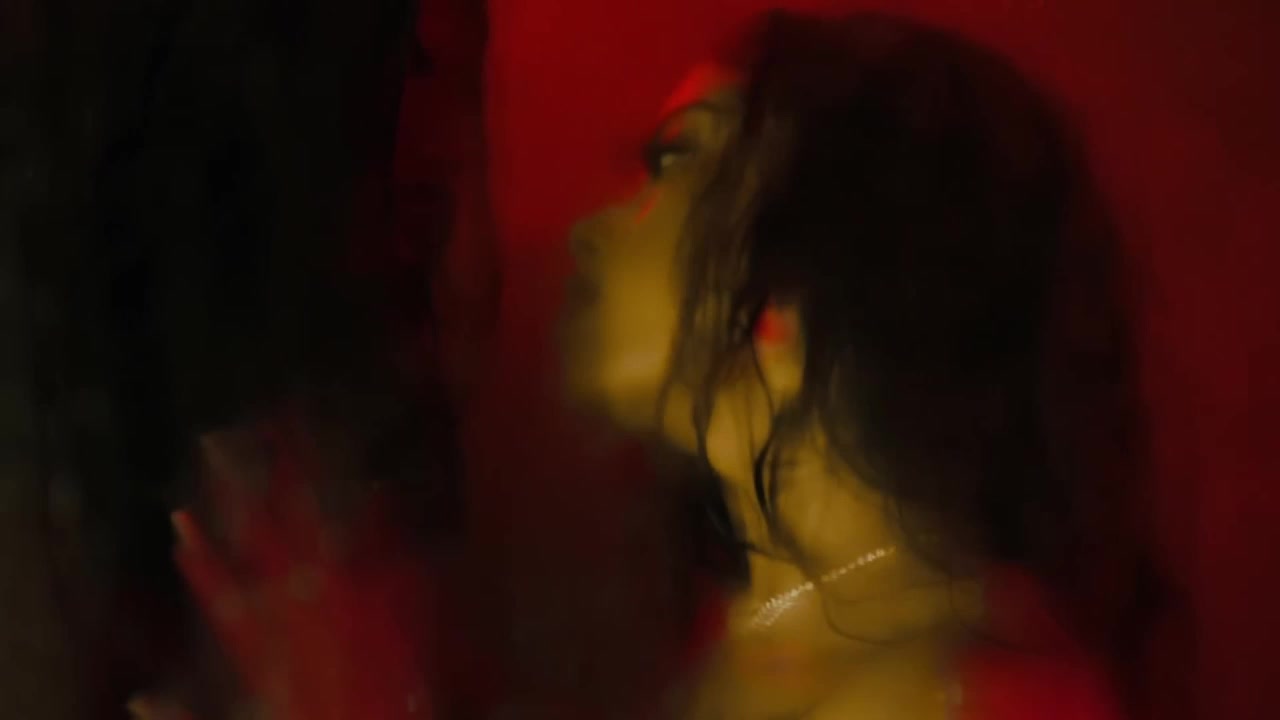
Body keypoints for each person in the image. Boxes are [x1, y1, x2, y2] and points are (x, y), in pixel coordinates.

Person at [561, 11, 1153, 719]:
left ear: (805, 266)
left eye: (676, 160)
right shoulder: (771, 634)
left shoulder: (969, 694)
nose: (590, 230)